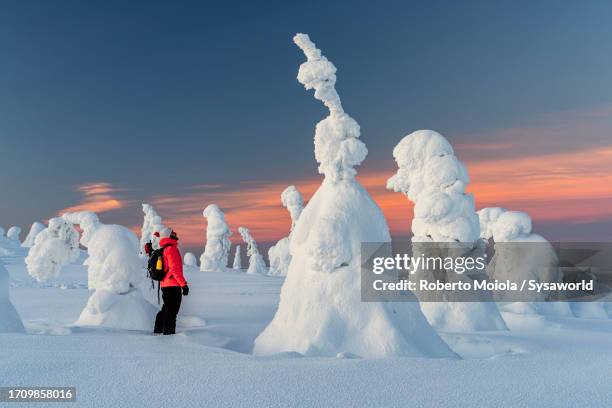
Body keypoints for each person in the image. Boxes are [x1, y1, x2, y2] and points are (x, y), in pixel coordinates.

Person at [146, 229, 189, 335]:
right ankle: (168, 336)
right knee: (171, 312)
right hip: (173, 286)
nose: (175, 235)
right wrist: (183, 284)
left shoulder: (165, 249)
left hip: (165, 285)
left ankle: (159, 330)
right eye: (173, 234)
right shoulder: (171, 249)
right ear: (168, 236)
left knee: (167, 309)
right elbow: (174, 269)